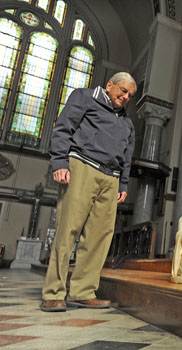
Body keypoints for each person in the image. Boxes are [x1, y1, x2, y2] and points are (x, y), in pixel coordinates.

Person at [41, 72, 136, 312]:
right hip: (81, 166)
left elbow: (127, 157)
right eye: (123, 91)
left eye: (130, 95)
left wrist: (123, 184)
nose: (125, 97)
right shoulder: (84, 97)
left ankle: (83, 291)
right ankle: (53, 293)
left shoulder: (127, 123)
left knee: (99, 238)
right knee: (67, 230)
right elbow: (63, 127)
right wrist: (60, 162)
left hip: (111, 179)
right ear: (110, 85)